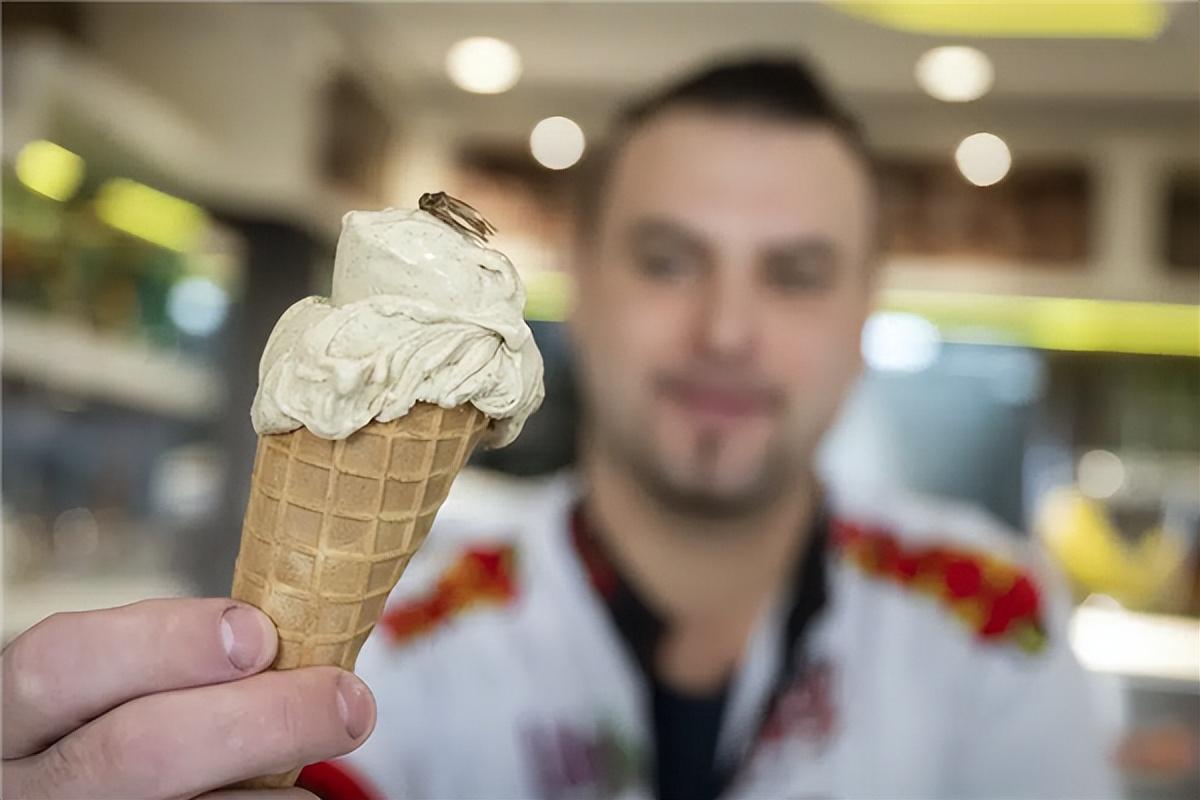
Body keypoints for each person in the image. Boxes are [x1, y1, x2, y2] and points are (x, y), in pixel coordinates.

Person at [1, 57, 1118, 800]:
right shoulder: (410, 637)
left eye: (796, 272)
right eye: (669, 259)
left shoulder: (994, 622)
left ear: (864, 306)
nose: (727, 328)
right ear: (581, 276)